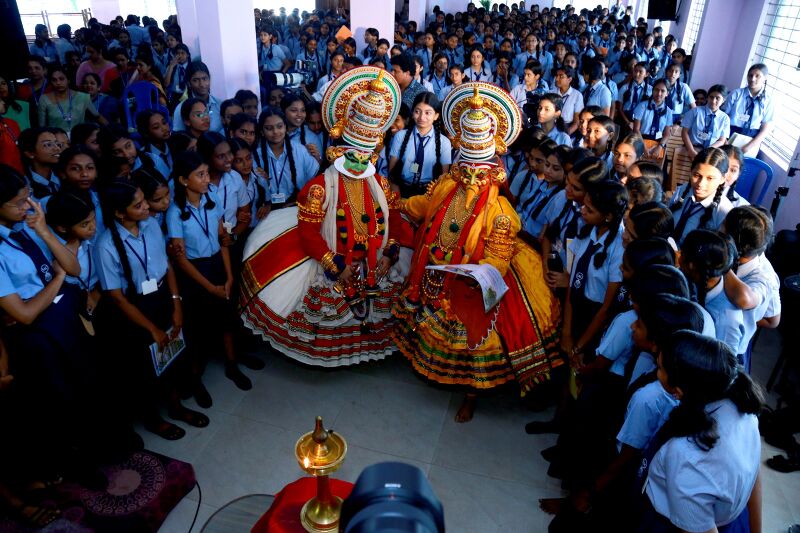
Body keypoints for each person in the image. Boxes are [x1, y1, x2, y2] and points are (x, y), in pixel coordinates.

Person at [393, 83, 561, 422]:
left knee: (475, 340)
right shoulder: (447, 184)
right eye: (466, 169)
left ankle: (471, 395)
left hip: (474, 282)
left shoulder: (500, 210)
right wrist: (394, 202)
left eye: (479, 173)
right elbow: (424, 205)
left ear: (492, 171)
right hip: (438, 268)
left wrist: (478, 276)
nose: (472, 178)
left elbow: (497, 259)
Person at [240, 66, 409, 367]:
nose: (359, 164)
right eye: (353, 156)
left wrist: (389, 255)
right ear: (339, 150)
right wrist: (336, 265)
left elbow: (393, 221)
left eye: (367, 157)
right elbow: (308, 235)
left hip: (374, 262)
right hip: (335, 262)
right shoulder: (319, 187)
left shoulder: (381, 185)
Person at [637, 330, 763, 533]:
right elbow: (754, 475)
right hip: (732, 519)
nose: (656, 372)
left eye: (660, 368)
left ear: (678, 391)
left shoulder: (686, 457)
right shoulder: (742, 407)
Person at [388, 92, 452, 198]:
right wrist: (398, 201)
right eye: (417, 111)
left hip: (429, 195)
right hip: (402, 192)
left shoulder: (444, 143)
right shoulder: (400, 136)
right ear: (412, 113)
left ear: (436, 116)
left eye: (428, 113)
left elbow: (443, 179)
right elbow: (392, 174)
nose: (422, 117)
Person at [669, 147, 733, 246]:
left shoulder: (723, 212)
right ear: (691, 172)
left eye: (710, 178)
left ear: (722, 179)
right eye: (697, 175)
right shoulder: (683, 190)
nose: (701, 184)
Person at [723, 63, 773, 156]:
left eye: (757, 76)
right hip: (731, 134)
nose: (752, 79)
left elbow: (765, 128)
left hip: (752, 139)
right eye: (750, 75)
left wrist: (748, 147)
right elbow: (723, 118)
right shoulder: (736, 94)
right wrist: (724, 139)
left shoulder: (768, 100)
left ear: (765, 78)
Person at [38, 66, 103, 131]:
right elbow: (42, 127)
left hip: (79, 138)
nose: (58, 83)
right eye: (54, 80)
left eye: (61, 79)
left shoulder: (83, 97)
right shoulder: (44, 99)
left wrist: (111, 130)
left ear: (68, 80)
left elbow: (97, 116)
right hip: (56, 138)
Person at [172, 61, 223, 134]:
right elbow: (179, 137)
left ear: (209, 79)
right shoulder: (181, 108)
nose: (202, 84)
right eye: (196, 80)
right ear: (189, 83)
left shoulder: (219, 104)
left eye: (205, 79)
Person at [681, 84, 730, 159]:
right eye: (711, 97)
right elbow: (684, 132)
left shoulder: (725, 118)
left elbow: (721, 140)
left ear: (723, 100)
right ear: (707, 97)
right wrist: (691, 151)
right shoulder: (695, 111)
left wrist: (707, 152)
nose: (713, 101)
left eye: (717, 98)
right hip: (691, 149)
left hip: (710, 153)